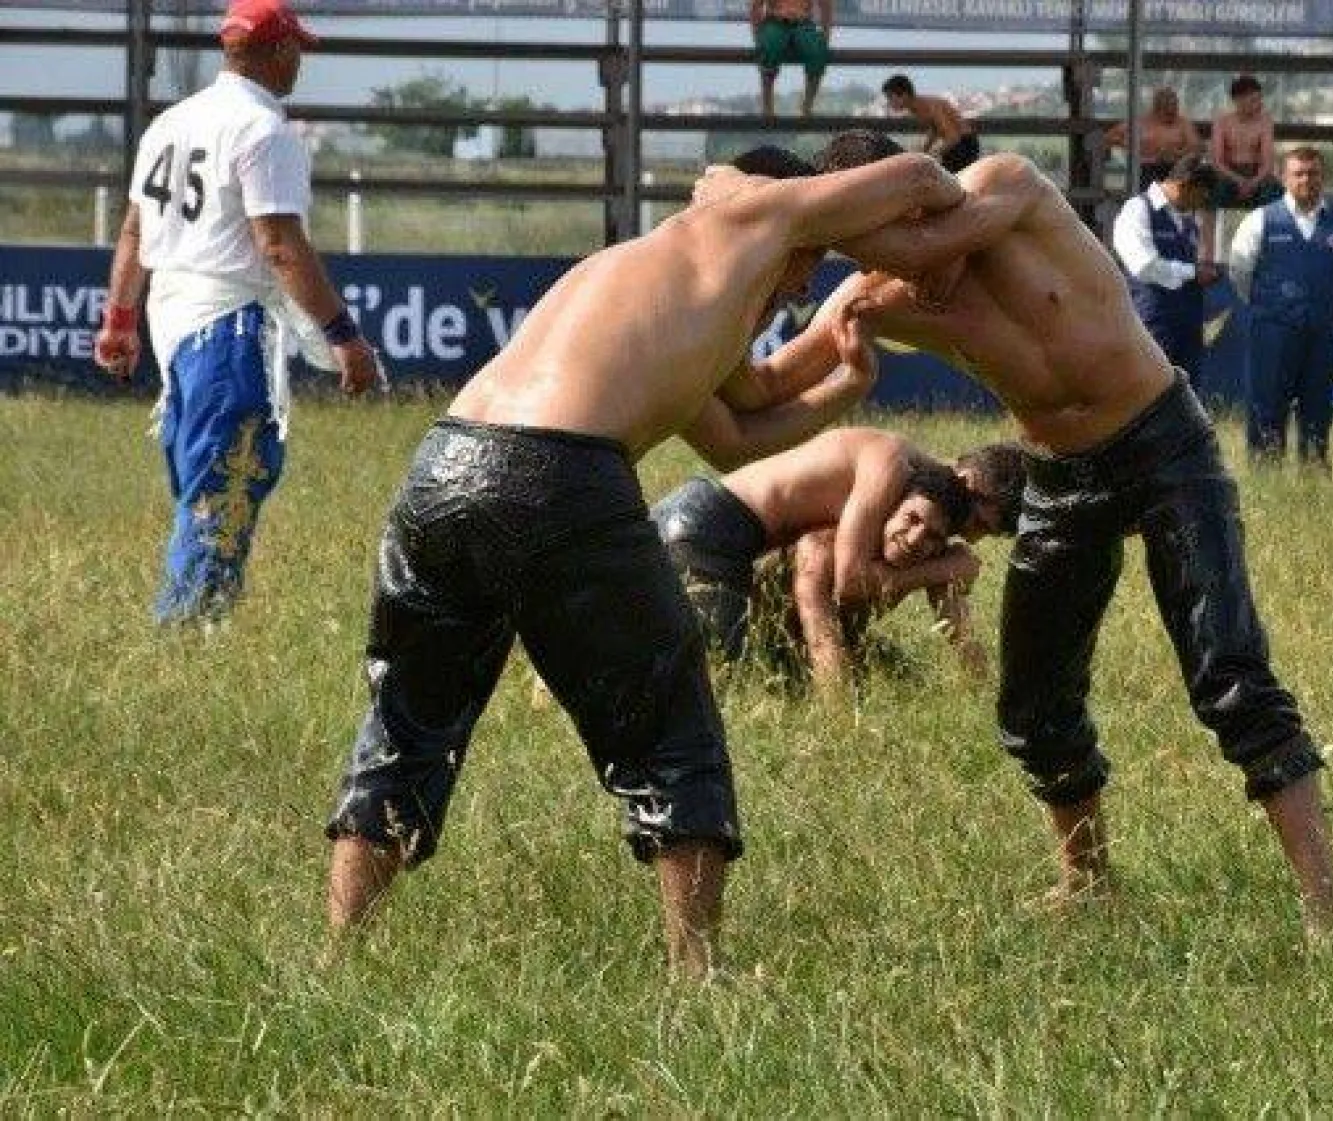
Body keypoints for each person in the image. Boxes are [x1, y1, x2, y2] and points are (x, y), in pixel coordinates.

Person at [321, 144, 969, 980]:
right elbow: (919, 177)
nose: (803, 289)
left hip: (443, 469)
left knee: (409, 721)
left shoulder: (666, 291)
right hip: (559, 471)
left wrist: (847, 380)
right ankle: (697, 971)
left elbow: (743, 428)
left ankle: (338, 957)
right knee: (673, 727)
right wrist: (946, 246)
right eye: (811, 265)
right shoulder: (756, 213)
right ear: (802, 217)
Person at [804, 139, 1333, 938]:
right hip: (1059, 475)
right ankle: (1088, 882)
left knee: (1229, 672)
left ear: (917, 199)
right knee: (1033, 702)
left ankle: (1326, 904)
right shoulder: (877, 295)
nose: (906, 264)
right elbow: (775, 381)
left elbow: (927, 244)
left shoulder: (1004, 185)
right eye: (867, 248)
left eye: (892, 229)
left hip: (1163, 442)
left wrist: (808, 220)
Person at [93, 0, 380, 627]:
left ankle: (194, 623)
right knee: (225, 484)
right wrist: (343, 336)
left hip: (174, 321)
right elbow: (278, 245)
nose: (300, 62)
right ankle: (189, 633)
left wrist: (119, 321)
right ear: (277, 51)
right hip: (227, 324)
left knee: (203, 480)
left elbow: (135, 232)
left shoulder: (170, 122)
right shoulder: (263, 130)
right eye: (297, 49)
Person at [651, 429, 1025, 686]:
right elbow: (850, 583)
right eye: (979, 522)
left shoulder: (923, 513)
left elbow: (957, 626)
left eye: (987, 533)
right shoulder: (891, 464)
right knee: (726, 681)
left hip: (721, 539)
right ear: (967, 480)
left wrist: (984, 690)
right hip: (701, 530)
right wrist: (941, 570)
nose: (972, 537)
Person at [1228, 146, 1333, 468]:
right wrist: (1272, 306)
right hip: (1272, 332)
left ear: (1324, 177)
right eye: (1299, 173)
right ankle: (1266, 477)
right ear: (1283, 177)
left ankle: (1314, 479)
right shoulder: (1259, 220)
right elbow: (1240, 272)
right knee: (1267, 407)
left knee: (1318, 409)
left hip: (1324, 332)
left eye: (1313, 173)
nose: (1306, 180)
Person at [1112, 155, 1221, 391]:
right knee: (1150, 394)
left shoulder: (1186, 219)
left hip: (1188, 325)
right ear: (1184, 185)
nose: (1202, 203)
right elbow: (1143, 265)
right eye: (1201, 195)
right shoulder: (1137, 209)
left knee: (1187, 397)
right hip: (1152, 323)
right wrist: (1193, 272)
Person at [1103, 86, 1201, 191]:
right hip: (1146, 167)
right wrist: (1130, 144)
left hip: (1175, 167)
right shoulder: (1142, 122)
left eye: (1174, 110)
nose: (1171, 115)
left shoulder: (1183, 123)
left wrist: (1177, 153)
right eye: (1167, 112)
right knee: (1146, 177)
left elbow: (1195, 146)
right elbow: (1109, 137)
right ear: (1156, 109)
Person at [1209, 75, 1283, 211]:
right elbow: (1217, 162)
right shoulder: (1222, 122)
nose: (1259, 104)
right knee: (1213, 193)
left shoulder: (1265, 122)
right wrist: (1239, 180)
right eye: (1254, 100)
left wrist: (1253, 182)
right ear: (1238, 100)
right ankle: (1210, 226)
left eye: (1260, 99)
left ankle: (1269, 224)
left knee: (1275, 192)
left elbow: (1267, 162)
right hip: (1229, 173)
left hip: (1257, 173)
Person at [881, 74, 981, 174]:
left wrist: (932, 154)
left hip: (965, 144)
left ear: (904, 95)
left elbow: (953, 137)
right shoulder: (915, 108)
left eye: (890, 97)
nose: (889, 102)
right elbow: (934, 130)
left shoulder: (931, 106)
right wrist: (924, 151)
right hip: (956, 144)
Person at [750, 0, 832, 118]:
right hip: (775, 22)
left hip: (804, 23)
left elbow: (825, 4)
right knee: (770, 48)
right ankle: (767, 108)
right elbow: (756, 6)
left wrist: (825, 34)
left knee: (818, 51)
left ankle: (807, 107)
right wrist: (757, 34)